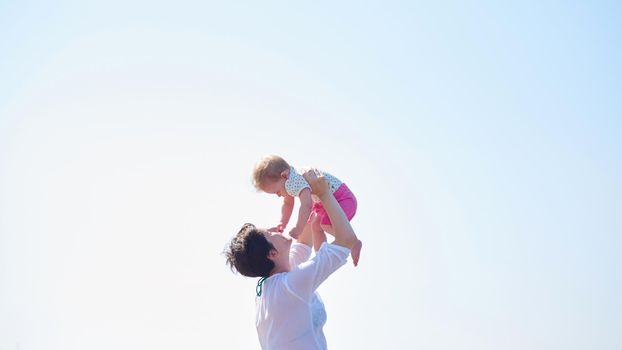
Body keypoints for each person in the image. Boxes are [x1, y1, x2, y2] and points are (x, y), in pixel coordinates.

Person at [225, 169, 360, 350]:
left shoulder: (276, 281)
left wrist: (306, 191)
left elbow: (304, 241)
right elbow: (346, 240)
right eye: (270, 234)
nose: (275, 231)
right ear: (272, 253)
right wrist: (325, 193)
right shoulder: (289, 286)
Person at [252, 155, 362, 266]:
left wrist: (299, 228)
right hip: (326, 201)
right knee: (315, 225)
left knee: (324, 225)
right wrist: (282, 223)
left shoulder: (293, 181)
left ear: (284, 175)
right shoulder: (289, 179)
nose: (278, 195)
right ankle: (322, 258)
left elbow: (306, 205)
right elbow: (288, 203)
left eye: (277, 191)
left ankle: (353, 242)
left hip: (342, 198)